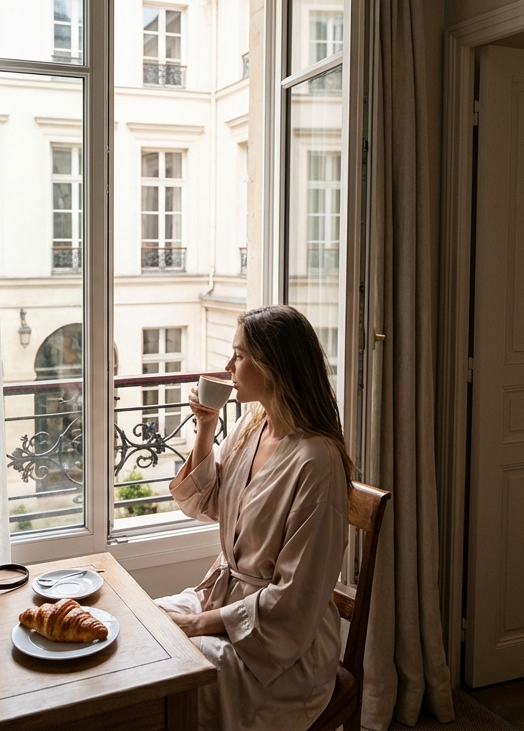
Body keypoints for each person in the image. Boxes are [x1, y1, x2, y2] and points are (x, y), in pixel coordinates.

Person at [153, 305, 354, 731]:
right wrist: (206, 428)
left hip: (281, 647)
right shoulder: (252, 425)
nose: (228, 366)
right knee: (143, 624)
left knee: (171, 663)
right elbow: (205, 504)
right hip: (225, 603)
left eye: (239, 355)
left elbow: (296, 598)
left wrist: (196, 624)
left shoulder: (317, 461)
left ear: (273, 366)